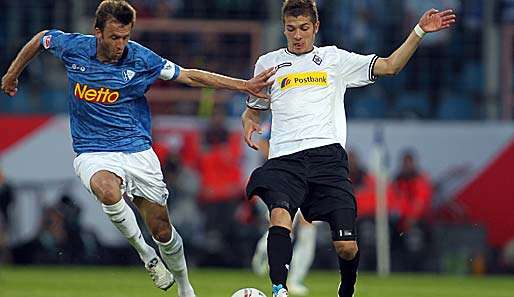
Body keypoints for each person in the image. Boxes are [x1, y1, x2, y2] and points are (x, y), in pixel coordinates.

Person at [1, 1, 274, 296]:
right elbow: (40, 38)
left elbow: (190, 76)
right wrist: (12, 73)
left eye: (126, 37)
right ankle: (147, 256)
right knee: (108, 192)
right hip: (92, 151)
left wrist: (242, 85)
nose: (120, 44)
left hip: (136, 151)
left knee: (163, 231)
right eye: (114, 37)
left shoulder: (142, 59)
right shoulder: (72, 47)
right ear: (98, 33)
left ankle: (184, 287)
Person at [241, 1, 455, 296]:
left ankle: (348, 286)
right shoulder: (267, 63)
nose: (298, 35)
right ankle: (279, 289)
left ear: (316, 27)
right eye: (291, 29)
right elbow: (255, 108)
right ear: (283, 29)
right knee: (279, 216)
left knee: (346, 246)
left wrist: (419, 30)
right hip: (284, 160)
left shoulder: (334, 59)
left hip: (326, 159)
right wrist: (249, 118)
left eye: (304, 28)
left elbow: (391, 66)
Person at [250, 114, 317, 296]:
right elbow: (263, 144)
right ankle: (263, 253)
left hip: (307, 179)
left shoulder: (314, 119)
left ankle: (295, 279)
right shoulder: (279, 118)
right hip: (279, 180)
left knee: (308, 225)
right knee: (284, 225)